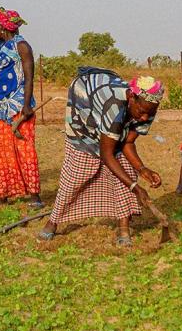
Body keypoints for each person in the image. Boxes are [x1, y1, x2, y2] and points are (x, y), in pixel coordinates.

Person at [38, 70, 163, 247]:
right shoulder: (113, 105)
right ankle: (53, 221)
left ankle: (123, 228)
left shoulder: (148, 106)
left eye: (148, 114)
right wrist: (135, 188)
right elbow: (107, 155)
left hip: (111, 115)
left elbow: (127, 143)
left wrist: (142, 170)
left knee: (126, 168)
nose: (144, 117)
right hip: (84, 106)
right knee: (80, 171)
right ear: (131, 97)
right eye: (142, 112)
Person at [0, 7, 41, 207]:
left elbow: (28, 76)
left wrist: (26, 105)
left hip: (18, 106)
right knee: (1, 151)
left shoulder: (22, 46)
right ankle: (3, 194)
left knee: (24, 148)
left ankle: (34, 195)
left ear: (4, 27)